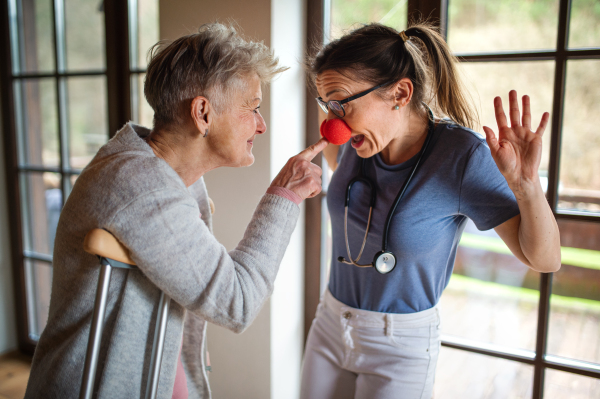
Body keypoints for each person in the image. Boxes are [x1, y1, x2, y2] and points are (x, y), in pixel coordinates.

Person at [25, 23, 327, 399]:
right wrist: (284, 197)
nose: (261, 125)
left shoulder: (164, 172)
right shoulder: (141, 186)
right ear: (202, 113)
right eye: (252, 108)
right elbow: (236, 302)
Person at [300, 22, 561, 399]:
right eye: (327, 104)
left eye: (342, 104)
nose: (332, 123)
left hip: (400, 347)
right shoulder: (351, 143)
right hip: (329, 323)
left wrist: (525, 187)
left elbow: (546, 258)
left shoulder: (461, 157)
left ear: (400, 93)